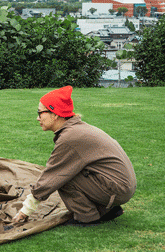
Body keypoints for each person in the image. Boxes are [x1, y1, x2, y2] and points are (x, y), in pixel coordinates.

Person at [11, 85, 136, 227]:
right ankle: (108, 211)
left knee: (63, 176)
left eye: (40, 113)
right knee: (67, 171)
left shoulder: (70, 137)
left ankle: (87, 218)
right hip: (120, 187)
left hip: (117, 190)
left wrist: (25, 211)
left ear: (55, 114)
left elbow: (52, 176)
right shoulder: (77, 129)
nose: (37, 118)